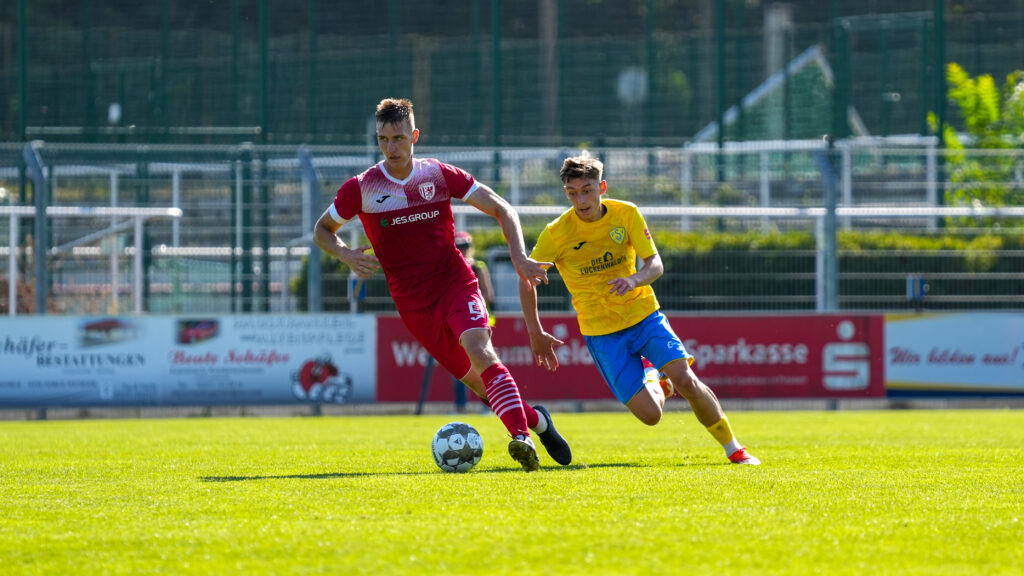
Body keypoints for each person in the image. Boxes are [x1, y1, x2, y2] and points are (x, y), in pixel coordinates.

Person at [313, 97, 572, 471]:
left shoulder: (437, 175)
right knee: (483, 388)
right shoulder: (363, 187)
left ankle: (521, 439)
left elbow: (502, 207)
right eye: (383, 139)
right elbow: (322, 230)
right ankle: (539, 421)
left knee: (483, 355)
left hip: (455, 283)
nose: (391, 147)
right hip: (414, 305)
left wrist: (518, 255)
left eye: (399, 138)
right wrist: (345, 254)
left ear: (415, 136)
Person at [517, 154, 760, 465]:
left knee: (686, 380)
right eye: (573, 192)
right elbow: (527, 280)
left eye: (587, 190)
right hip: (602, 333)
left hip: (644, 315)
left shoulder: (626, 214)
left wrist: (634, 280)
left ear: (601, 187)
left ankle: (735, 450)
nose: (581, 199)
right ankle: (654, 378)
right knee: (650, 416)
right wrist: (535, 332)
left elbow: (655, 264)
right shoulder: (557, 233)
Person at [452, 230, 494, 413]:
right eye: (459, 247)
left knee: (483, 363)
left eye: (465, 246)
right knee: (460, 366)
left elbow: (488, 294)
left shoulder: (478, 266)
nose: (463, 250)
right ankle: (461, 406)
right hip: (456, 323)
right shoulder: (449, 267)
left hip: (479, 322)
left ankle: (488, 405)